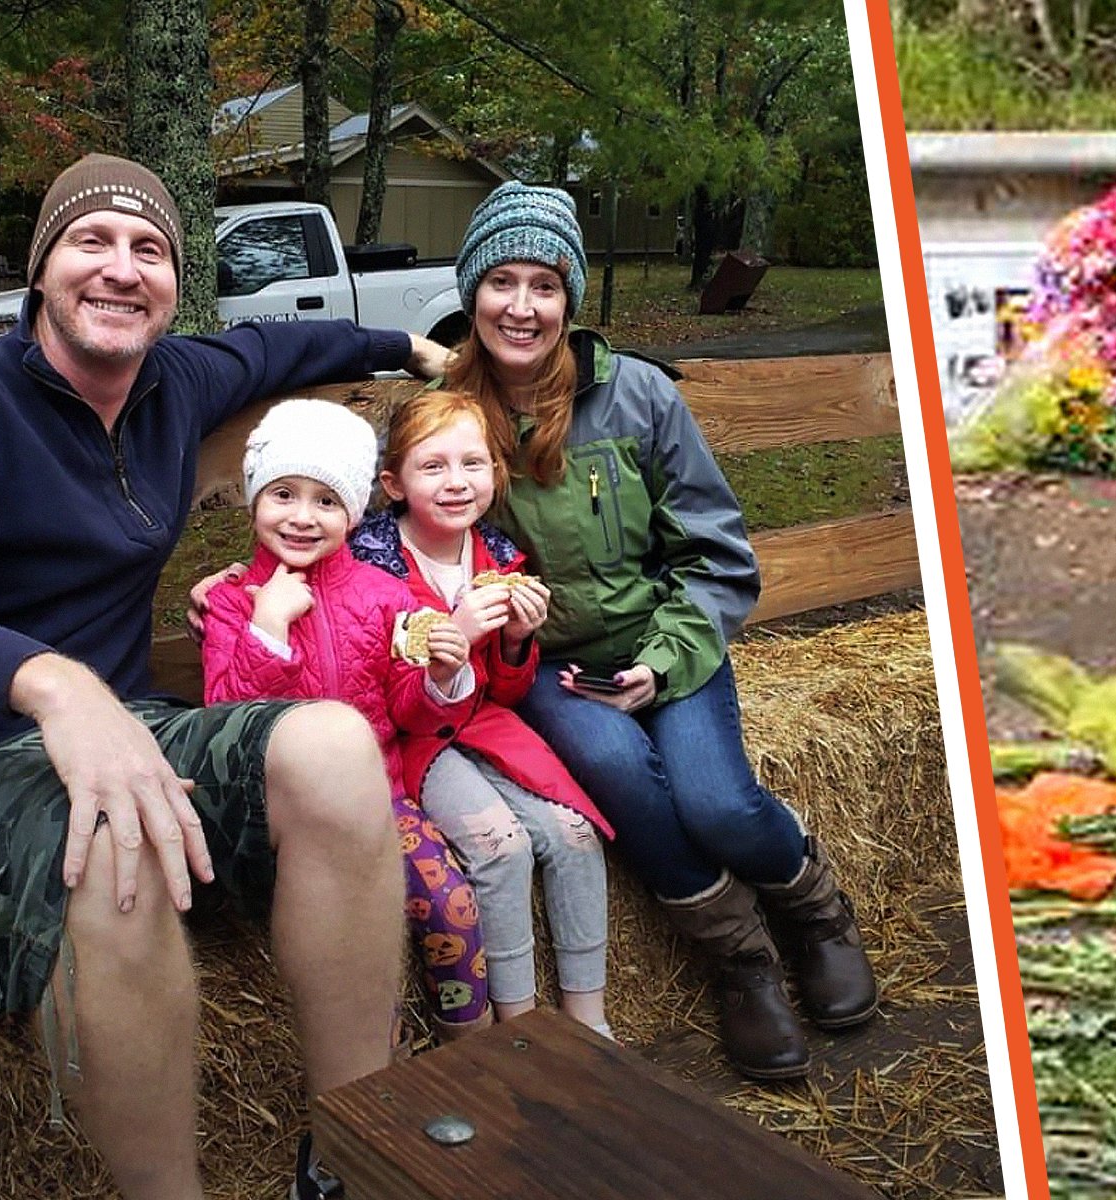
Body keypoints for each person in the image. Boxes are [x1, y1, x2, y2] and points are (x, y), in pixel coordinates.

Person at [0, 153, 451, 1200]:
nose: (121, 269)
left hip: (137, 722)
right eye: (91, 241)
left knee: (332, 743)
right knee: (117, 854)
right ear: (41, 271)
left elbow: (280, 345)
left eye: (150, 250)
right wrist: (46, 681)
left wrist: (404, 345)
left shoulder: (179, 382)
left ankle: (349, 1155)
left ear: (175, 284)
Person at [446, 181, 876, 1080]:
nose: (522, 307)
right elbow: (381, 532)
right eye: (502, 282)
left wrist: (664, 659)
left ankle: (814, 906)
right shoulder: (451, 414)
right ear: (469, 289)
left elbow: (717, 555)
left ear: (571, 298)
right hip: (550, 666)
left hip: (665, 639)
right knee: (614, 773)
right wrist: (250, 577)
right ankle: (741, 958)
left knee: (716, 802)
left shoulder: (635, 395)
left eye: (546, 284)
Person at [197, 398, 497, 1039]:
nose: (303, 517)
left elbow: (406, 712)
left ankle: (468, 1045)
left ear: (353, 512)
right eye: (283, 494)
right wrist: (268, 626)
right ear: (253, 500)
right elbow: (227, 721)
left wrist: (442, 676)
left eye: (326, 501)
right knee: (344, 940)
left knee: (450, 903)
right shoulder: (230, 604)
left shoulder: (384, 596)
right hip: (283, 817)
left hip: (381, 799)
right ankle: (369, 1060)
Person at [348, 387, 616, 1038]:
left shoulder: (498, 558)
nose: (456, 482)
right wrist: (457, 632)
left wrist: (520, 642)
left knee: (576, 834)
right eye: (432, 467)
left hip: (483, 727)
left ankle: (590, 1021)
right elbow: (395, 701)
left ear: (497, 474)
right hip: (416, 739)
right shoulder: (372, 568)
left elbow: (504, 691)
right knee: (502, 846)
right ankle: (517, 1030)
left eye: (473, 464)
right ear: (394, 482)